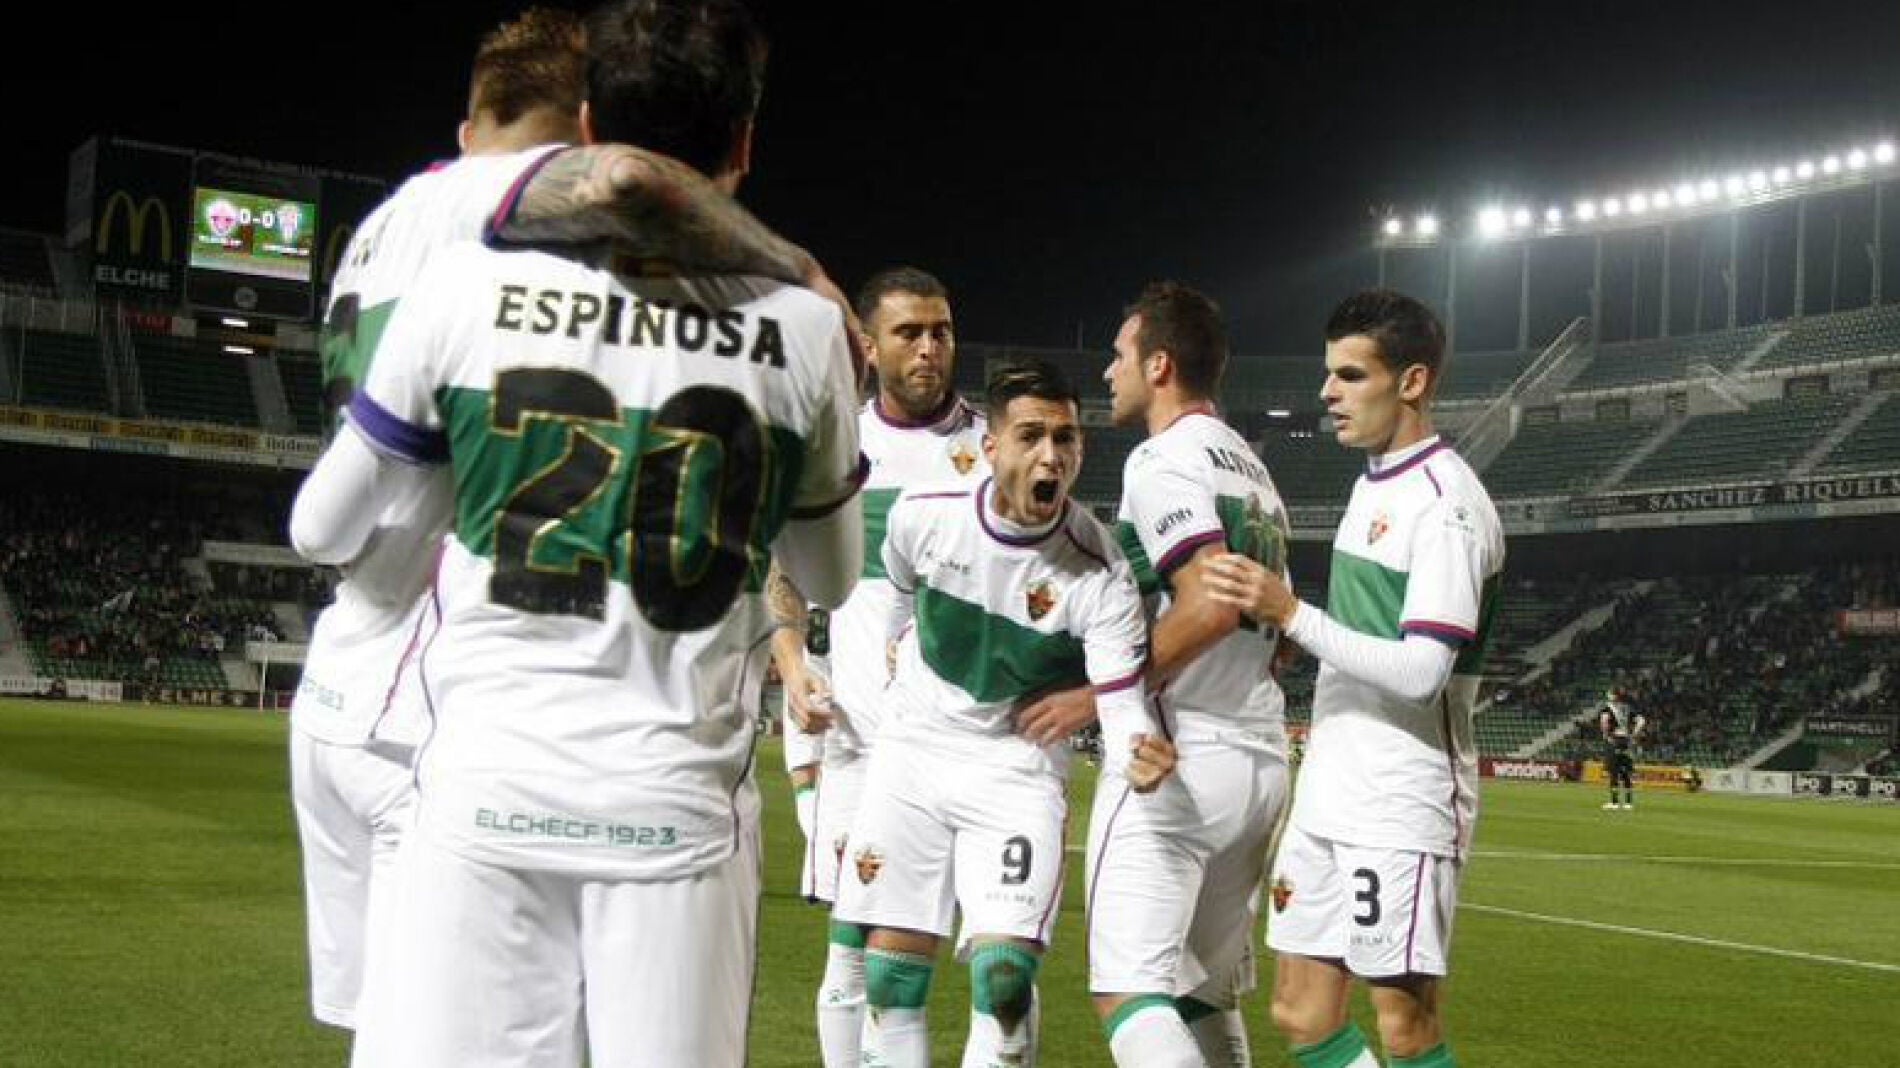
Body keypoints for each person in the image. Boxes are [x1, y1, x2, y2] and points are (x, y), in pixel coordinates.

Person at [289, 2, 866, 1064]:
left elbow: (319, 525)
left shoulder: (463, 278)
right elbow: (830, 575)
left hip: (484, 789)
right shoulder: (809, 328)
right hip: (676, 816)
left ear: (587, 121)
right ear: (742, 144)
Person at [832, 360, 1177, 1068]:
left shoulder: (1101, 572)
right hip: (914, 753)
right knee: (890, 978)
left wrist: (1139, 747)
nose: (1051, 455)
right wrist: (901, 643)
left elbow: (1119, 702)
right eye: (1031, 436)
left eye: (1066, 438)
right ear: (991, 446)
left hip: (1015, 769)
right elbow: (897, 593)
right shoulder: (924, 512)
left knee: (1003, 978)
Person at [1204, 289, 1504, 1068]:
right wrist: (1297, 639)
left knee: (1404, 1026)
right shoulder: (1373, 482)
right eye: (1328, 374)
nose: (1326, 393)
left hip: (1402, 797)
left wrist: (1294, 614)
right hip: (1331, 787)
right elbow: (1364, 640)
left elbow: (1423, 669)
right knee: (1300, 1013)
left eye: (1349, 375)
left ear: (1411, 382)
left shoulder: (1448, 506)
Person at [764, 266, 988, 1068]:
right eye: (909, 333)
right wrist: (791, 663)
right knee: (849, 955)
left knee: (982, 969)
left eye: (943, 331)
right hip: (859, 740)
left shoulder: (990, 450)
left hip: (961, 746)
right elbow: (784, 573)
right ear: (867, 345)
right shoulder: (838, 445)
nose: (930, 349)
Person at [1086, 281, 1292, 1067]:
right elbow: (1274, 622)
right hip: (1259, 755)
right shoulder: (1252, 468)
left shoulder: (1161, 458)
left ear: (1159, 364)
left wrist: (1101, 692)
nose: (1109, 371)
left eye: (1119, 354)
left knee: (1129, 990)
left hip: (1179, 757)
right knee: (1203, 991)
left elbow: (1206, 599)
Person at [1600, 689, 1645, 809]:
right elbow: (1641, 721)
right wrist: (1634, 734)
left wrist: (1606, 735)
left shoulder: (1607, 708)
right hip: (1626, 740)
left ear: (1613, 696)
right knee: (1625, 771)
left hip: (1614, 740)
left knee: (1614, 772)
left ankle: (1614, 802)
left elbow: (1604, 722)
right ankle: (1628, 803)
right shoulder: (1627, 708)